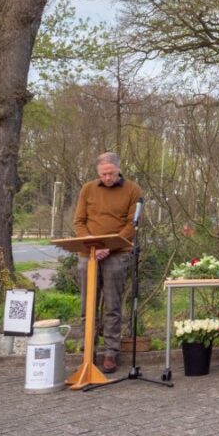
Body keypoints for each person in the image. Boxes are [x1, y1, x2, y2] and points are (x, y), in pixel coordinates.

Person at [73, 152, 143, 374]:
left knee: (112, 306)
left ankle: (111, 353)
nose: (108, 177)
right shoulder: (88, 189)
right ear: (97, 172)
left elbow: (132, 225)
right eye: (103, 174)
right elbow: (79, 221)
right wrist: (92, 245)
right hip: (89, 254)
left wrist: (109, 247)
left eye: (111, 173)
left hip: (117, 253)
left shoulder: (133, 190)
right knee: (88, 305)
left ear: (119, 169)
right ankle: (88, 352)